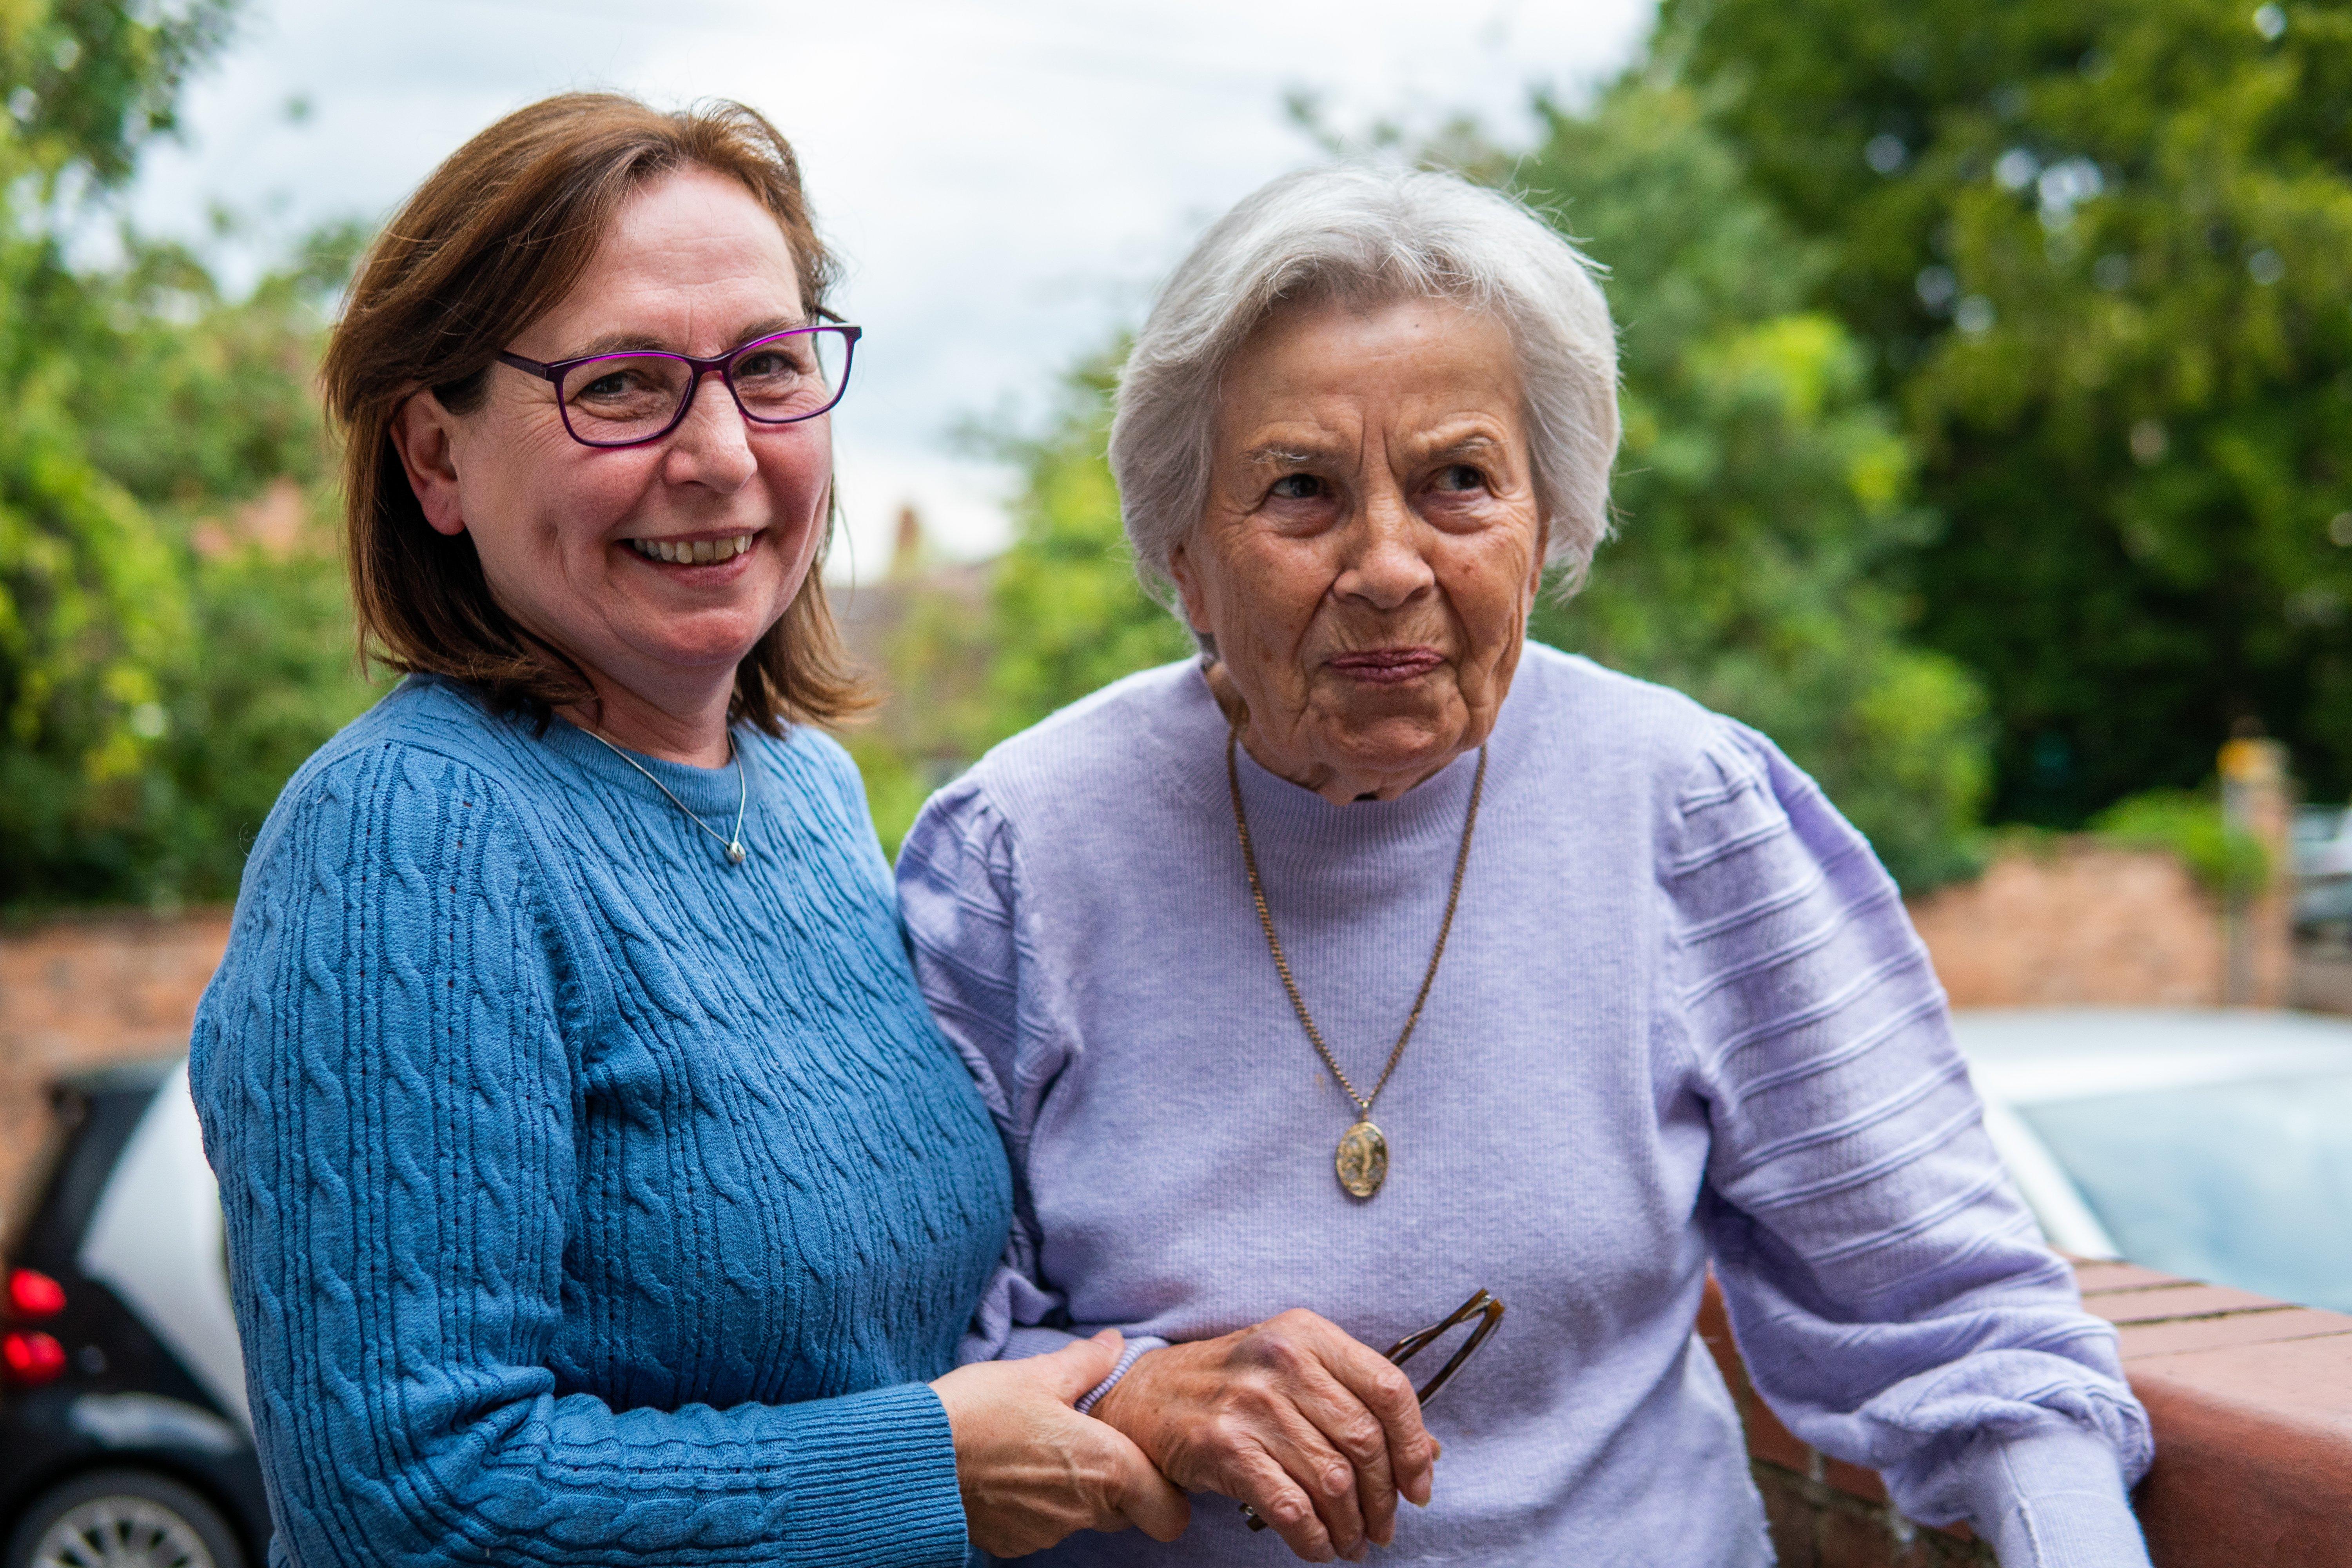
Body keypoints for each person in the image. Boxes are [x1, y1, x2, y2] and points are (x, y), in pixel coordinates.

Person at [897, 165, 2156, 1566]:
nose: (1388, 564)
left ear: (1549, 524)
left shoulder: (1691, 814)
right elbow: (912, 1353)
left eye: (1459, 482)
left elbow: (1959, 1321)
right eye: (1302, 492)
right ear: (1182, 555)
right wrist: (1139, 1392)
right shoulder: (1016, 854)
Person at [189, 93, 1186, 1567]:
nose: (722, 451)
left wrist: (1146, 1385)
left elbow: (893, 1341)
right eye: (624, 385)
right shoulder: (407, 832)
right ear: (436, 461)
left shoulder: (810, 793)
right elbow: (412, 1499)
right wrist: (921, 1476)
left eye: (770, 370)